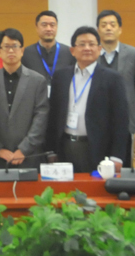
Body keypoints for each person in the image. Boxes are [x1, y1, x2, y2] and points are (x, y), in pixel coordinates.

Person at [46, 27, 129, 173]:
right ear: (72, 50)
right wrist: (51, 150)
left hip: (98, 148)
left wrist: (117, 156)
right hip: (65, 146)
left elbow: (121, 120)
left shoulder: (113, 78)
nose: (87, 48)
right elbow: (53, 115)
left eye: (91, 44)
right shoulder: (60, 77)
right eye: (82, 44)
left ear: (99, 49)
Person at [0, 29, 49, 169]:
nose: (11, 51)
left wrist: (23, 149)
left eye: (15, 46)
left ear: (22, 50)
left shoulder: (37, 80)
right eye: (6, 47)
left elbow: (41, 118)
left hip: (29, 155)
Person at [96, 10, 135, 163]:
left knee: (124, 167)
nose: (108, 28)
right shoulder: (91, 54)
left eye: (112, 24)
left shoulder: (134, 54)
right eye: (104, 25)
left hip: (126, 122)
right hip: (97, 122)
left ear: (120, 29)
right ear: (98, 30)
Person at [21, 11, 75, 89]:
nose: (48, 29)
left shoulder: (69, 52)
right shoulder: (26, 53)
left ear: (57, 27)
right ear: (37, 27)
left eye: (52, 25)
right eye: (44, 25)